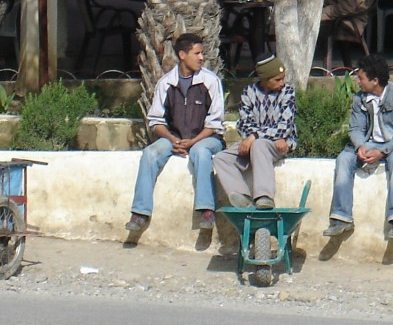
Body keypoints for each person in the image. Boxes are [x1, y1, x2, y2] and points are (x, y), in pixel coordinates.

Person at [125, 33, 225, 231]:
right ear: (182, 55)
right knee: (150, 153)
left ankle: (206, 211)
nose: (201, 58)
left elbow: (215, 123)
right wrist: (172, 139)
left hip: (207, 138)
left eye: (201, 53)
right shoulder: (166, 83)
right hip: (175, 138)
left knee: (201, 152)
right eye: (196, 53)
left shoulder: (210, 82)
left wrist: (194, 141)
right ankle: (139, 213)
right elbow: (156, 121)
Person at [323, 54, 393, 240]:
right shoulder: (360, 99)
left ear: (375, 81)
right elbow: (356, 128)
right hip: (370, 142)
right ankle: (342, 217)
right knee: (344, 158)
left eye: (361, 78)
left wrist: (382, 151)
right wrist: (360, 146)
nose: (357, 81)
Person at [213, 55, 297, 209]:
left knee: (259, 145)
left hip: (279, 145)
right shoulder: (248, 92)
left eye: (283, 78)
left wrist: (255, 137)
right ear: (265, 80)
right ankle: (242, 196)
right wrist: (251, 138)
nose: (282, 83)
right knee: (221, 158)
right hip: (253, 143)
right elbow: (244, 124)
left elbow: (285, 126)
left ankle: (265, 196)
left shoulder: (288, 93)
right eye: (277, 80)